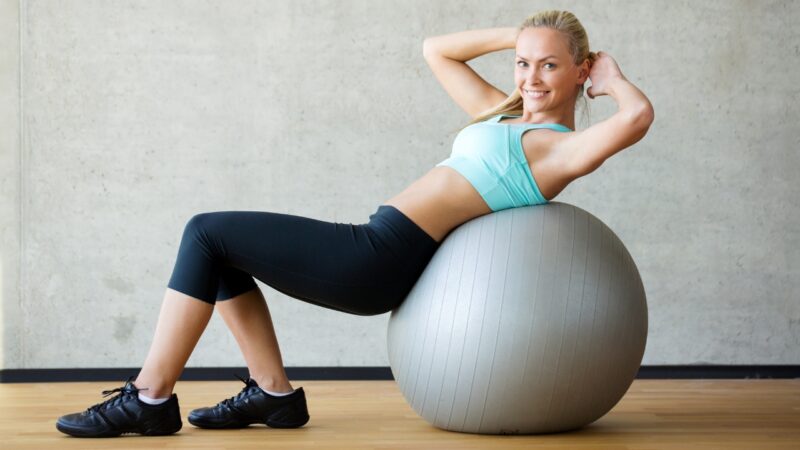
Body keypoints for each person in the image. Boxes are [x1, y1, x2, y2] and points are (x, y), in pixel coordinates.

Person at [55, 9, 653, 437]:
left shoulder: (558, 149)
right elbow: (435, 49)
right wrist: (520, 34)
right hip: (379, 242)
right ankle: (274, 398)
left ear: (580, 73)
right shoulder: (505, 117)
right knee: (217, 250)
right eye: (523, 63)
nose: (529, 78)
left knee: (204, 232)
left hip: (380, 256)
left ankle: (149, 397)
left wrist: (615, 79)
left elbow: (638, 117)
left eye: (549, 66)